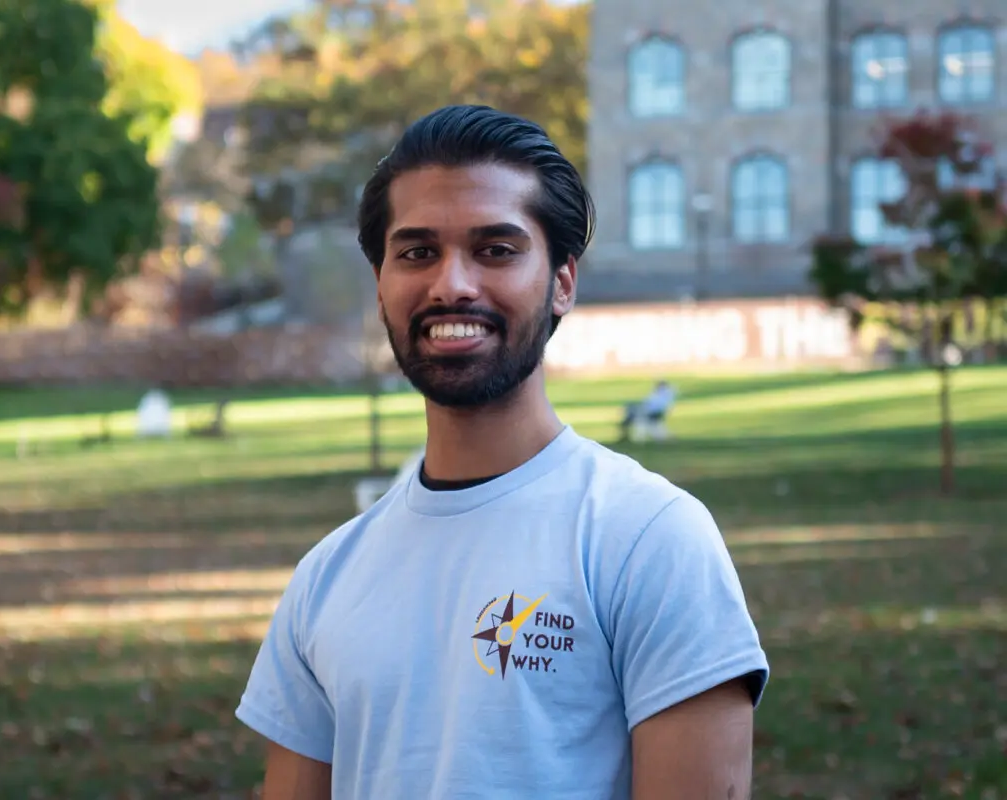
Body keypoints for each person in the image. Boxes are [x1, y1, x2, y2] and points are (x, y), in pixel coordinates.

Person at [236, 105, 769, 800]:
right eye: (417, 252)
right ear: (382, 284)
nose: (452, 284)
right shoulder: (325, 578)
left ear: (563, 283)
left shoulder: (649, 539)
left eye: (496, 249)